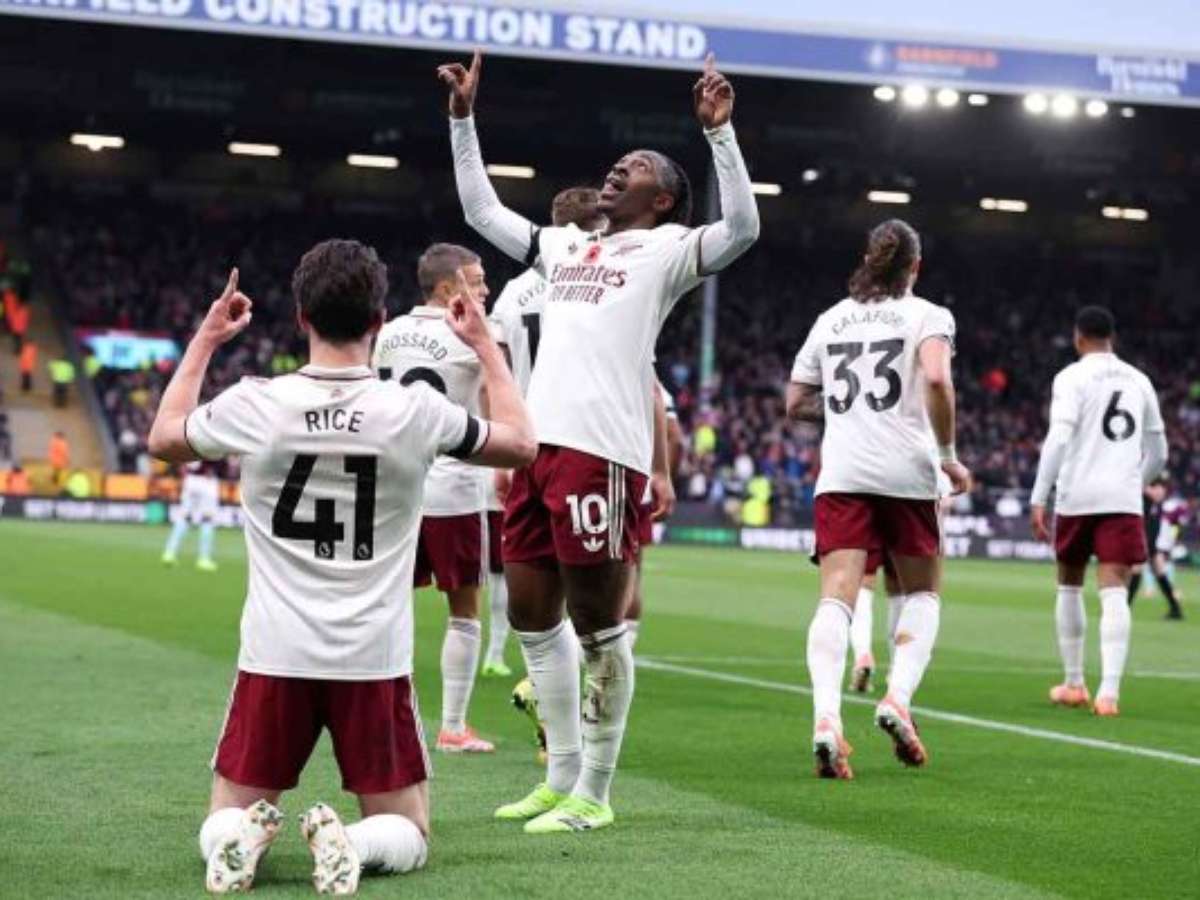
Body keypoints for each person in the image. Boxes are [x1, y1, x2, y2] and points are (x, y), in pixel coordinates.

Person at [146, 244, 535, 895]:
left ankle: (240, 838)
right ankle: (351, 842)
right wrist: (485, 347)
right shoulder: (413, 410)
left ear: (301, 317)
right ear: (379, 320)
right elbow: (521, 445)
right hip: (371, 658)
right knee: (409, 831)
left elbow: (164, 437)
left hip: (275, 652)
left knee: (224, 814)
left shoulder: (256, 402)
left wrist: (207, 339)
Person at [440, 49, 758, 831]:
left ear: (664, 199)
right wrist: (463, 120)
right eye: (619, 164)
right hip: (536, 450)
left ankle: (597, 793)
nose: (618, 169)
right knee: (532, 619)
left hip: (600, 455)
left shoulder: (669, 250)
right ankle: (558, 778)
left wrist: (720, 135)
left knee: (600, 628)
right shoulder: (565, 247)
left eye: (636, 167)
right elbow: (481, 213)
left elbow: (745, 229)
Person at [787, 218, 971, 780]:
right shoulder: (929, 315)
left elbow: (796, 402)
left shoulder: (831, 319)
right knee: (923, 593)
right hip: (907, 473)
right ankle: (897, 699)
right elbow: (936, 379)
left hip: (843, 474)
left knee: (835, 599)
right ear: (915, 267)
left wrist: (850, 412)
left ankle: (826, 719)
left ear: (869, 261)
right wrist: (949, 455)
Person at [372, 242, 498, 755]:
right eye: (477, 280)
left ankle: (381, 718)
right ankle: (452, 726)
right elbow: (496, 393)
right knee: (464, 610)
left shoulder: (388, 333)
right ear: (448, 289)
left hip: (394, 485)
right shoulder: (474, 334)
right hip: (453, 488)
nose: (485, 290)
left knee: (386, 602)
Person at [1031, 306, 1168, 717]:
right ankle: (1109, 694)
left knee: (1069, 585)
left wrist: (1040, 495)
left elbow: (1058, 438)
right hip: (1121, 499)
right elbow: (1159, 451)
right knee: (1114, 590)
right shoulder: (1139, 380)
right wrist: (1135, 480)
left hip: (1077, 495)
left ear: (1078, 338)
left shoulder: (1070, 377)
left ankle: (1074, 683)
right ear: (1113, 338)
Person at [625, 380, 682, 648]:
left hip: (608, 480)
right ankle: (623, 651)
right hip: (641, 489)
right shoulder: (656, 387)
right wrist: (664, 478)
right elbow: (676, 439)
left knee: (584, 577)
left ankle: (600, 655)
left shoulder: (637, 381)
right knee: (631, 574)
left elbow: (676, 438)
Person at [1127, 480, 1185, 619]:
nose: (1159, 491)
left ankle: (1125, 608)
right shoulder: (1143, 500)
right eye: (1156, 488)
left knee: (1141, 571)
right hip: (1146, 541)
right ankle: (1175, 609)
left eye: (1161, 488)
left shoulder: (1154, 501)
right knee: (1156, 573)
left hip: (1149, 542)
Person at [162, 461, 222, 571]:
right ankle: (204, 558)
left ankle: (169, 553)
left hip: (191, 480)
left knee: (184, 517)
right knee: (207, 519)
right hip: (206, 479)